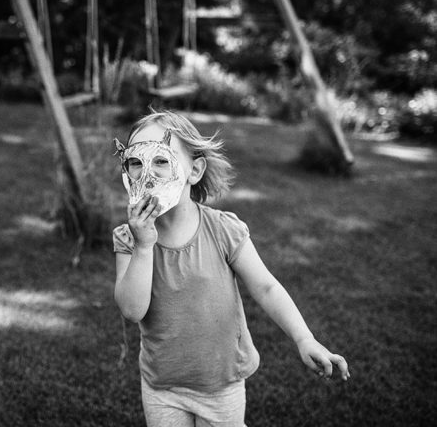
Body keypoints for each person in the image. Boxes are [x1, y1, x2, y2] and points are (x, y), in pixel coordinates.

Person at [112, 111, 350, 427]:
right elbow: (132, 310)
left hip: (221, 386)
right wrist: (144, 246)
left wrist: (304, 338)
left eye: (161, 161)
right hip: (161, 387)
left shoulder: (224, 230)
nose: (148, 175)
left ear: (194, 170)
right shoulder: (129, 239)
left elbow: (266, 287)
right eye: (136, 163)